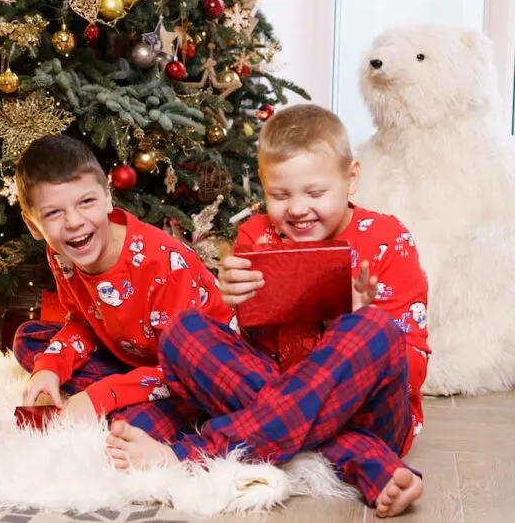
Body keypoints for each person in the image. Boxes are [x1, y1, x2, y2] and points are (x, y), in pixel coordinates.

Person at [106, 104, 429, 518]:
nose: (296, 209)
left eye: (315, 193)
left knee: (373, 328)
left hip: (372, 418)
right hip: (285, 395)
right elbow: (243, 356)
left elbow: (411, 370)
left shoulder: (389, 238)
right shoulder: (256, 236)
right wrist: (234, 306)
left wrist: (347, 320)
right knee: (182, 331)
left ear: (351, 179)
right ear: (263, 186)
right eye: (280, 195)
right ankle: (358, 456)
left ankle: (190, 455)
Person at [12, 134, 233, 441]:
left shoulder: (163, 265)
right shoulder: (62, 252)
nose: (74, 222)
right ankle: (120, 390)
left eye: (86, 202)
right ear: (34, 226)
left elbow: (181, 369)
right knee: (29, 341)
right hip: (132, 354)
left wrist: (102, 395)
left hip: (195, 374)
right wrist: (50, 366)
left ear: (107, 198)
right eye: (53, 213)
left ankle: (118, 397)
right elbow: (81, 322)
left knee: (132, 427)